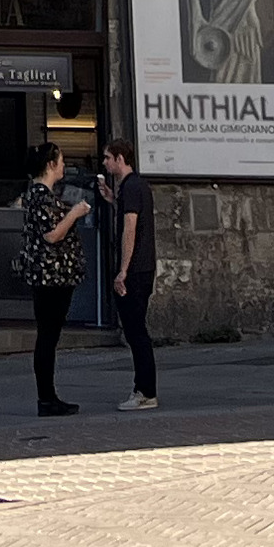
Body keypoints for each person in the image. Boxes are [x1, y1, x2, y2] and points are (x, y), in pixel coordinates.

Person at [17, 145, 95, 417]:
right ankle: (47, 398)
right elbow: (52, 235)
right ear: (50, 164)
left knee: (48, 336)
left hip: (51, 275)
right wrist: (74, 213)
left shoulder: (39, 195)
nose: (64, 166)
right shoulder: (41, 195)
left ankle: (48, 397)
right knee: (48, 336)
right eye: (61, 161)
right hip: (51, 276)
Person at [98, 140, 161, 412]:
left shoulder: (132, 187)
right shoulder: (133, 187)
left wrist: (122, 270)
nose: (104, 163)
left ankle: (145, 391)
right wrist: (114, 200)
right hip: (142, 267)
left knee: (136, 332)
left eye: (108, 158)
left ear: (120, 159)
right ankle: (143, 389)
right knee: (136, 331)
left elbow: (130, 229)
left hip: (135, 270)